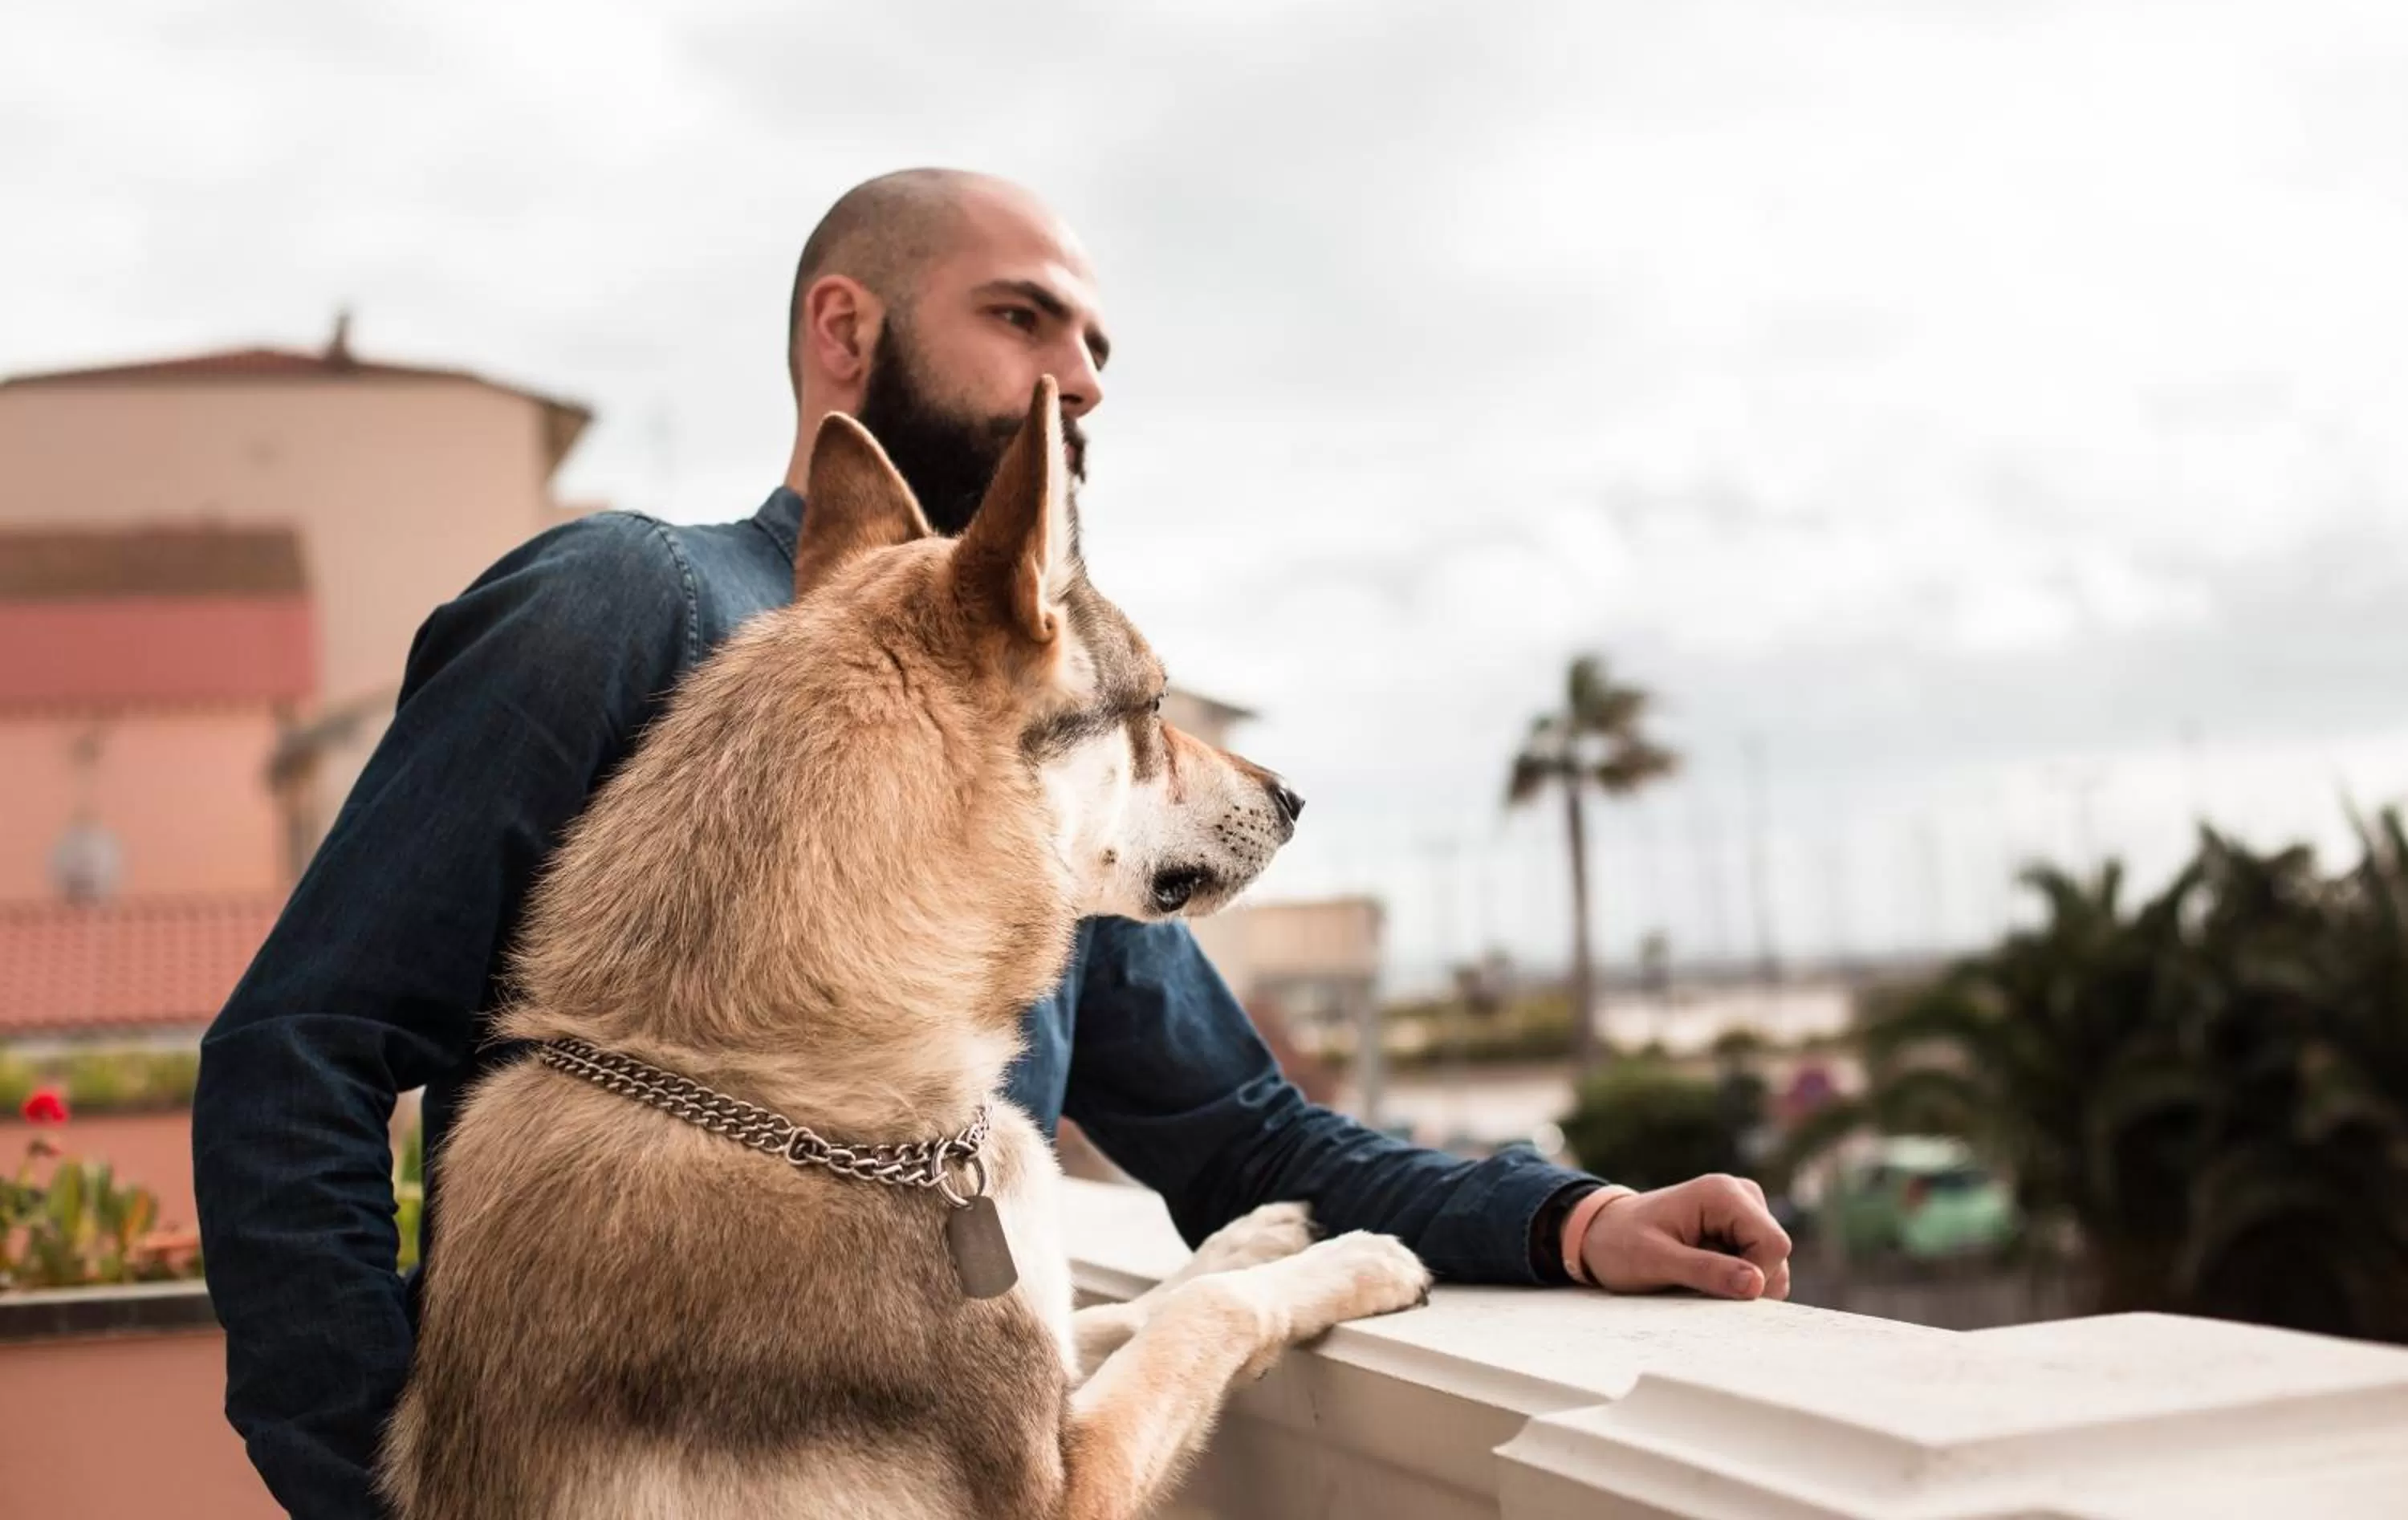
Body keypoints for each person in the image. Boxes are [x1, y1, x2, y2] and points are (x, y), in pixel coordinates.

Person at [193, 169, 1792, 1518]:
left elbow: (1243, 1137)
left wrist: (1575, 1219)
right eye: (1023, 319)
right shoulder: (628, 603)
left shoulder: (1039, 757)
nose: (1081, 379)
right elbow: (305, 1047)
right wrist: (384, 1485)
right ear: (845, 329)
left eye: (1096, 344)